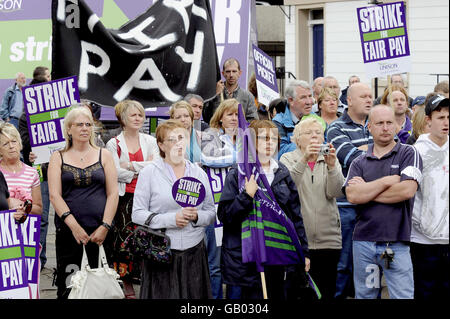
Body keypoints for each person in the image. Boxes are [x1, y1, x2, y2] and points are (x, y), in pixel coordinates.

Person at [218, 120, 310, 299]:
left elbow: (295, 217)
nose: (270, 143)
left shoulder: (282, 172)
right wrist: (246, 196)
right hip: (245, 261)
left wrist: (304, 252)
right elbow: (225, 215)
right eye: (264, 138)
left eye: (274, 138)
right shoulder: (237, 174)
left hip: (276, 256)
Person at [345, 104, 422, 299]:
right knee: (365, 296)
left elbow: (406, 190)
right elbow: (353, 196)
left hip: (395, 242)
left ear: (397, 125)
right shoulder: (358, 161)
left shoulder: (408, 153)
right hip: (363, 241)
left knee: (401, 296)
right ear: (369, 127)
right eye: (380, 123)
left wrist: (367, 190)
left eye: (390, 122)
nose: (386, 127)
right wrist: (387, 182)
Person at [132, 120, 215, 299]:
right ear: (161, 145)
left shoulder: (198, 173)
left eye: (181, 137)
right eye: (171, 139)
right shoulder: (149, 173)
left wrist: (196, 216)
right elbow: (137, 214)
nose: (178, 142)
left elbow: (210, 213)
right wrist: (171, 219)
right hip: (161, 252)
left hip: (194, 252)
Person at [48, 106, 118, 299]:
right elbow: (55, 196)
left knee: (101, 285)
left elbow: (113, 194)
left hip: (100, 232)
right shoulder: (58, 157)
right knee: (71, 286)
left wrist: (105, 225)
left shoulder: (104, 155)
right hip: (69, 233)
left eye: (88, 124)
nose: (85, 128)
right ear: (69, 129)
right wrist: (75, 227)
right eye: (79, 124)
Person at [280, 118, 344, 300]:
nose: (315, 137)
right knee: (298, 293)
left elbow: (336, 191)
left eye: (318, 133)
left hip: (328, 239)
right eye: (309, 133)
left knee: (326, 291)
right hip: (298, 239)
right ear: (297, 139)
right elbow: (287, 189)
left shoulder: (329, 157)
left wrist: (332, 167)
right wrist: (303, 159)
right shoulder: (287, 159)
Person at [105, 100, 159, 299]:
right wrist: (140, 168)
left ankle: (146, 278)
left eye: (140, 115)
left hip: (147, 197)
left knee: (147, 238)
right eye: (133, 115)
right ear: (123, 119)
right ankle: (126, 282)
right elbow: (114, 172)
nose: (138, 119)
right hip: (124, 198)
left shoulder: (150, 141)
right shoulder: (114, 143)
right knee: (123, 242)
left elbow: (156, 166)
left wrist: (131, 166)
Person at [326, 82, 373, 299]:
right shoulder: (336, 128)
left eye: (370, 96)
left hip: (373, 208)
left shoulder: (377, 125)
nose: (369, 99)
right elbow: (350, 158)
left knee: (368, 267)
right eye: (363, 96)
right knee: (343, 266)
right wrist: (374, 153)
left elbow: (392, 157)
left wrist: (366, 151)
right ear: (350, 100)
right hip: (346, 209)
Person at [410, 94, 449, 299]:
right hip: (423, 242)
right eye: (441, 117)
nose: (446, 122)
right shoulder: (416, 152)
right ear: (428, 120)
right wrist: (421, 223)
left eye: (449, 117)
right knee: (425, 292)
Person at [200, 99, 240, 299]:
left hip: (240, 209)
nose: (234, 119)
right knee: (214, 265)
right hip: (216, 210)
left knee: (236, 263)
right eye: (230, 114)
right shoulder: (210, 136)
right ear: (220, 118)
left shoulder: (246, 139)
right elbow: (208, 158)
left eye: (237, 115)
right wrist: (241, 157)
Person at [273, 80, 326, 158]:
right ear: (291, 100)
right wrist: (306, 144)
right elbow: (280, 152)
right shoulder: (278, 122)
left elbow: (326, 148)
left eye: (310, 96)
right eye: (303, 97)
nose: (309, 102)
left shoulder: (317, 120)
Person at [0, 123, 42, 217]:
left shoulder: (32, 173)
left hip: (24, 229)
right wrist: (9, 204)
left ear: (20, 144)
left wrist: (23, 208)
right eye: (5, 144)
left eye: (14, 141)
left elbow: (39, 209)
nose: (11, 146)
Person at [204, 58, 259, 123]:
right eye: (228, 71)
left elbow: (253, 121)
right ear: (223, 73)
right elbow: (206, 117)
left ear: (239, 73)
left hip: (239, 132)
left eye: (234, 71)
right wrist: (215, 96)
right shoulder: (215, 92)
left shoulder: (248, 96)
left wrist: (238, 127)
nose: (231, 75)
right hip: (217, 131)